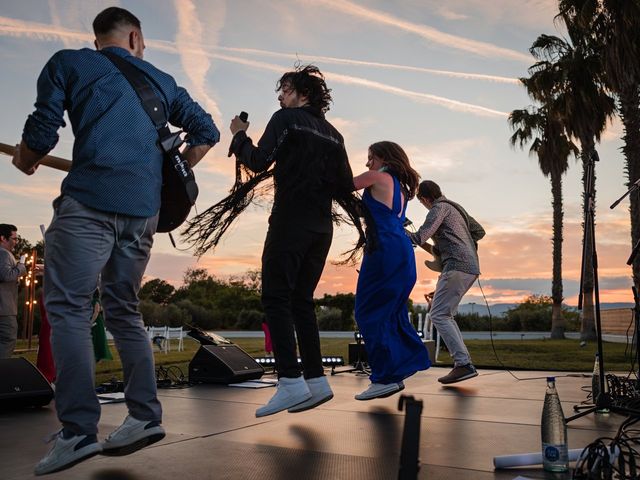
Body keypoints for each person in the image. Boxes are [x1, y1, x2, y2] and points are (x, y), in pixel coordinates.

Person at [12, 7, 219, 475]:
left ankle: (79, 431)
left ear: (99, 37)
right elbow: (206, 131)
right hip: (144, 215)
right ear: (133, 36)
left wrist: (25, 159)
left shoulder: (68, 63)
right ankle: (144, 417)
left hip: (90, 203)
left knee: (68, 308)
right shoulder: (163, 80)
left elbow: (42, 133)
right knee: (124, 310)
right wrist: (169, 171)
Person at [228, 65, 362, 417]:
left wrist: (239, 136)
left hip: (290, 221)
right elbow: (345, 186)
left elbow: (258, 160)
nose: (280, 96)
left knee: (275, 297)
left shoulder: (286, 119)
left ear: (301, 93)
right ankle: (316, 381)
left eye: (285, 90)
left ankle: (290, 381)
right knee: (301, 301)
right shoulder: (335, 136)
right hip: (321, 230)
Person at [352, 142, 430, 400]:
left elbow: (339, 185)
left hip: (384, 250)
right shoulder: (402, 190)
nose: (367, 164)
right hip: (401, 250)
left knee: (368, 311)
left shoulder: (376, 176)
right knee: (390, 312)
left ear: (383, 157)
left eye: (370, 157)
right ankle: (393, 374)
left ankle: (385, 377)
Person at [407, 180, 485, 384]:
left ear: (424, 199)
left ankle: (463, 364)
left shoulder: (438, 208)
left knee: (438, 314)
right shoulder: (456, 208)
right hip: (470, 267)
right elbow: (479, 232)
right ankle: (463, 363)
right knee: (444, 314)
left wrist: (398, 231)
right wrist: (459, 243)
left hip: (457, 266)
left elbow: (420, 236)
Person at [0, 224, 26, 359]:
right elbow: (6, 275)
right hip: (4, 309)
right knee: (7, 341)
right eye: (14, 238)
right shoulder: (3, 254)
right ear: (3, 238)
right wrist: (21, 267)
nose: (16, 242)